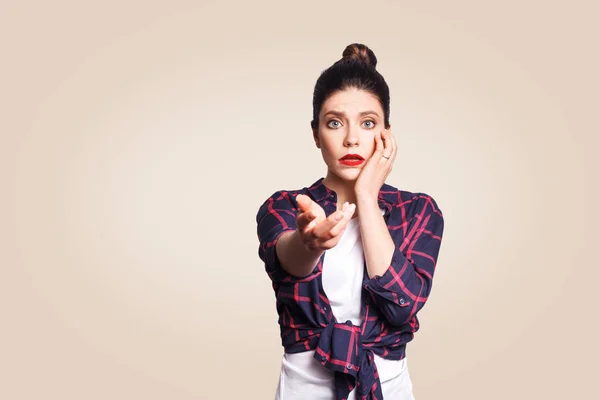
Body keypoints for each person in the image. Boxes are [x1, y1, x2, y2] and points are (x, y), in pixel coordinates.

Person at [255, 43, 445, 400]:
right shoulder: (285, 205)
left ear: (386, 133)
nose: (352, 138)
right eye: (334, 123)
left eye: (368, 123)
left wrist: (367, 198)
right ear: (316, 134)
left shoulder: (419, 211)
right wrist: (308, 241)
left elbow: (402, 305)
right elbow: (287, 259)